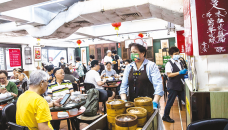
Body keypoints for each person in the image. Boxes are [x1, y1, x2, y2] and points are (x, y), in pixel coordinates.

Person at [119, 43, 164, 109]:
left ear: (142, 53)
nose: (132, 54)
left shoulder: (151, 66)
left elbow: (158, 85)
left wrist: (155, 102)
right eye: (131, 52)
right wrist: (124, 100)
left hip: (148, 104)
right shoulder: (129, 67)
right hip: (132, 104)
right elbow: (123, 86)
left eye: (135, 52)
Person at [162, 47, 187, 123]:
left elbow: (183, 71)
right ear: (171, 55)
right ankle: (165, 116)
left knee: (186, 100)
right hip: (173, 86)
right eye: (175, 54)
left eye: (178, 53)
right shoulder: (169, 64)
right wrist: (179, 72)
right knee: (170, 102)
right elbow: (169, 75)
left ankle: (192, 116)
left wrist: (185, 72)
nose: (177, 55)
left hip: (180, 85)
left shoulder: (179, 62)